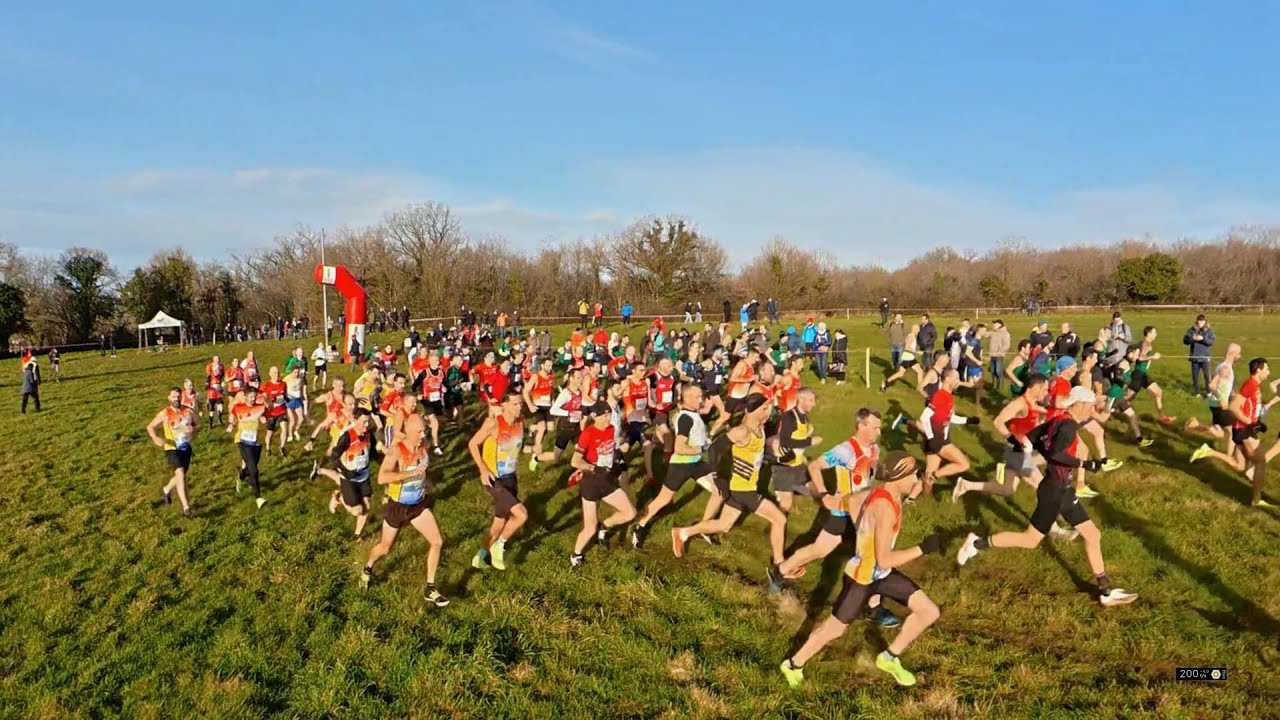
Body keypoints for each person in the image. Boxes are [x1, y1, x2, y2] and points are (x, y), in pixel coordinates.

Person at [957, 386, 1139, 608]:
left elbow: (1029, 439)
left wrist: (1019, 447)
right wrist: (1084, 464)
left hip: (1062, 490)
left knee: (1092, 534)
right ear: (1079, 404)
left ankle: (1105, 590)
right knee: (1030, 540)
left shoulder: (1058, 420)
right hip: (1054, 491)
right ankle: (976, 543)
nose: (1091, 410)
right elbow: (1055, 453)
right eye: (1090, 405)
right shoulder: (1068, 426)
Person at [779, 451, 942, 688]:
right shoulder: (884, 507)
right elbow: (885, 559)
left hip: (880, 575)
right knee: (833, 629)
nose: (916, 480)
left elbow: (853, 501)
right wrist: (923, 549)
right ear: (898, 477)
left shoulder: (882, 492)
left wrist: (856, 522)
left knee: (928, 611)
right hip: (862, 577)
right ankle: (793, 664)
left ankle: (889, 658)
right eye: (913, 475)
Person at [671, 394, 789, 589]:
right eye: (765, 409)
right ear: (755, 410)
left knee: (724, 525)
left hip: (743, 488)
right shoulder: (742, 431)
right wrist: (717, 477)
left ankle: (683, 532)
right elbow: (715, 449)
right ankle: (779, 567)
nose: (769, 412)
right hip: (743, 489)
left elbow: (756, 454)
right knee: (779, 519)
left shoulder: (759, 428)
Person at [360, 414, 449, 607]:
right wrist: (409, 474)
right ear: (408, 431)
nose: (423, 434)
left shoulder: (423, 447)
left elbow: (422, 469)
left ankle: (430, 587)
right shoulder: (396, 451)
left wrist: (427, 482)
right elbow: (382, 478)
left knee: (437, 541)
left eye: (424, 430)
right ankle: (368, 568)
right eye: (419, 431)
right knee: (385, 547)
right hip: (397, 507)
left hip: (418, 505)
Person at [631, 385, 720, 547]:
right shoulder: (686, 418)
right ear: (689, 399)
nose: (701, 399)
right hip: (681, 465)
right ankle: (640, 525)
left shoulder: (694, 413)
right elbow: (679, 448)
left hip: (696, 463)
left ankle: (704, 528)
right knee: (664, 499)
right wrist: (701, 449)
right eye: (699, 396)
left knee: (720, 490)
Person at [1191, 358, 1278, 508]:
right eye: (1267, 369)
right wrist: (1250, 422)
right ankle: (1256, 500)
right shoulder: (1250, 385)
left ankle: (1208, 452)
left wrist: (1255, 420)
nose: (1269, 371)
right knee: (1261, 460)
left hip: (1241, 429)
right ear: (1258, 370)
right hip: (1245, 430)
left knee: (1239, 466)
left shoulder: (1255, 385)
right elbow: (1233, 406)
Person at [569, 402, 637, 567]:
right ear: (594, 416)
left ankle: (605, 526)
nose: (608, 419)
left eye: (609, 415)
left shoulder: (611, 429)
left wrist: (623, 445)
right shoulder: (588, 433)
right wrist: (592, 468)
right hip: (591, 483)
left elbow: (612, 448)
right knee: (589, 528)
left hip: (607, 480)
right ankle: (576, 555)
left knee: (630, 513)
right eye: (604, 416)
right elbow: (575, 460)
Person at [468, 392, 529, 570]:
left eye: (520, 404)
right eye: (515, 404)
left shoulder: (520, 423)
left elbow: (517, 447)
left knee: (499, 522)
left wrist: (533, 449)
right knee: (521, 514)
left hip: (511, 478)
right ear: (504, 404)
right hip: (495, 480)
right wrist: (483, 469)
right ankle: (499, 546)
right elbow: (472, 444)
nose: (519, 408)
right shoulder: (493, 423)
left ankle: (480, 556)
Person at [318, 408, 376, 541]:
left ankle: (357, 535)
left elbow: (371, 452)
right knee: (357, 510)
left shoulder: (368, 434)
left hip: (363, 476)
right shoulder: (347, 437)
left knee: (367, 506)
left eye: (368, 422)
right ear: (355, 421)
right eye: (364, 422)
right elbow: (334, 456)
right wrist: (345, 471)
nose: (367, 425)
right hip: (349, 478)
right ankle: (339, 496)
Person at [918, 369, 978, 495]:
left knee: (928, 478)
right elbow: (924, 417)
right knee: (964, 464)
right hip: (939, 440)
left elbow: (949, 418)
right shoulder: (941, 396)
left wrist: (968, 420)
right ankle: (936, 475)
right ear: (947, 379)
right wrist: (931, 436)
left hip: (934, 440)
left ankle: (919, 499)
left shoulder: (948, 396)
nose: (958, 381)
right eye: (956, 378)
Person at [146, 387, 198, 518]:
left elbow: (199, 425)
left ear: (182, 397)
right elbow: (150, 427)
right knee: (180, 473)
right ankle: (186, 508)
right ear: (169, 398)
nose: (176, 399)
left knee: (180, 475)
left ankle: (166, 489)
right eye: (174, 397)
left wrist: (193, 430)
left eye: (178, 396)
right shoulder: (165, 413)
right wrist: (156, 438)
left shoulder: (188, 411)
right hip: (171, 447)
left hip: (185, 447)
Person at [229, 386, 268, 508]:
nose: (252, 399)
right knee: (254, 470)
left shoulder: (260, 407)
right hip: (243, 441)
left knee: (251, 468)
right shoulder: (238, 408)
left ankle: (240, 476)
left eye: (254, 397)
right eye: (250, 397)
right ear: (245, 397)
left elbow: (266, 417)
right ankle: (258, 497)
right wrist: (232, 424)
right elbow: (233, 417)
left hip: (256, 443)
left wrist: (264, 419)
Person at [1184, 315, 1215, 397]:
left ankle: (1209, 392)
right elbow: (1185, 340)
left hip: (1205, 357)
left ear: (1205, 321)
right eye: (1199, 321)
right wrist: (1192, 339)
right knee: (1195, 376)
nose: (1200, 322)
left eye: (1202, 321)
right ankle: (1196, 392)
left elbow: (1211, 342)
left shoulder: (1209, 331)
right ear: (1196, 321)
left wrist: (1202, 339)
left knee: (1207, 376)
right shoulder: (1192, 330)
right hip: (1194, 357)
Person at [988, 319, 1010, 391]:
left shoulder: (1005, 333)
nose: (993, 325)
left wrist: (1000, 351)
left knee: (998, 371)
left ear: (1000, 325)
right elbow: (985, 334)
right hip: (992, 354)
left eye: (995, 324)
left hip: (999, 355)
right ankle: (993, 384)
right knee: (992, 370)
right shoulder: (993, 332)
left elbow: (1007, 345)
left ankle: (1000, 386)